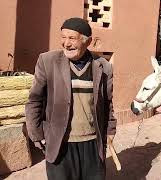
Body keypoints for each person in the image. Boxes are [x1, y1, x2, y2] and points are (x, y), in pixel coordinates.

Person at [25, 17, 117, 180]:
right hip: (59, 144)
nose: (66, 43)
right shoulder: (47, 61)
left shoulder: (103, 66)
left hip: (92, 143)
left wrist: (110, 130)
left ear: (87, 41)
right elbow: (34, 100)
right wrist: (36, 133)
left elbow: (108, 103)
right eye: (63, 37)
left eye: (72, 38)